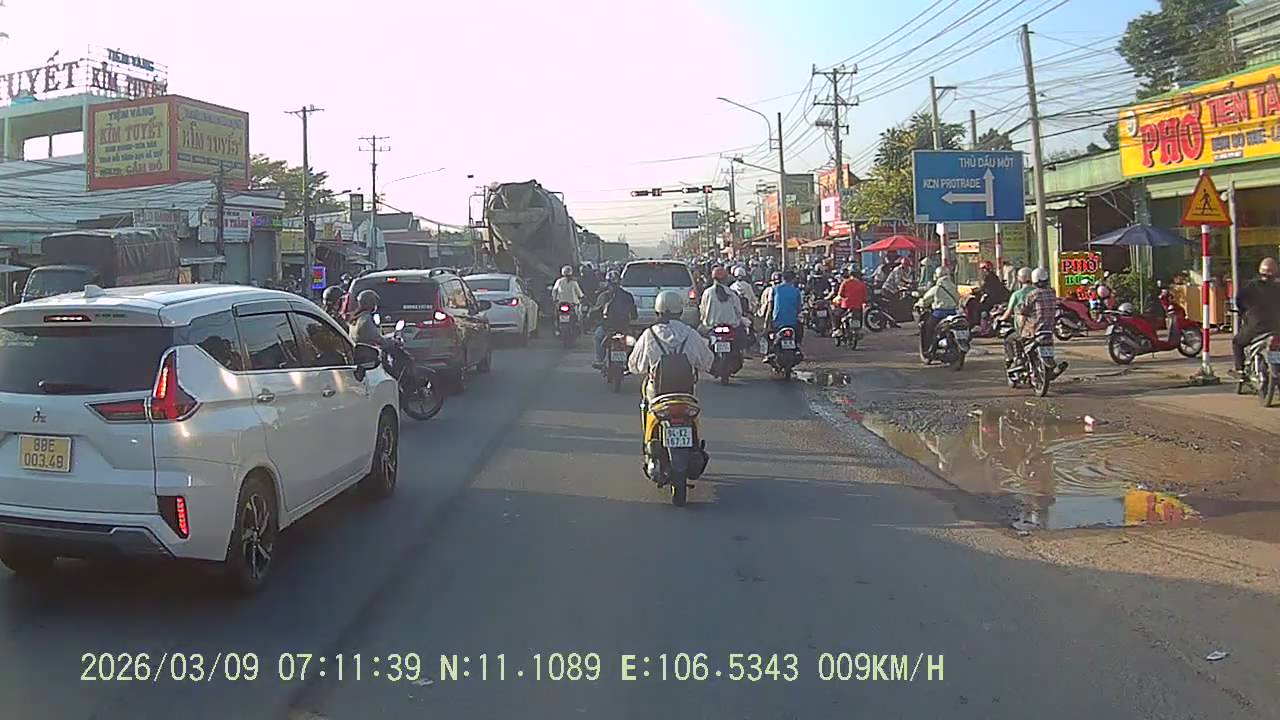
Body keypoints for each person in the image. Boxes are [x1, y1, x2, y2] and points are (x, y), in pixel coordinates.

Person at [628, 289, 715, 401]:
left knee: (646, 395)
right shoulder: (691, 334)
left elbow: (635, 366)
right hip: (686, 394)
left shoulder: (649, 334)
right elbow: (707, 361)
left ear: (657, 312)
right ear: (681, 312)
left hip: (657, 395)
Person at [1232, 257, 1280, 377]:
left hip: (1256, 328)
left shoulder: (1250, 286)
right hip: (1277, 328)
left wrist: (1244, 311)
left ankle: (1240, 370)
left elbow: (1239, 301)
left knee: (1237, 342)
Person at [1016, 267, 1068, 378]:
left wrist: (1020, 323)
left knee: (1019, 339)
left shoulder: (1032, 294)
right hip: (1049, 328)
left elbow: (1024, 310)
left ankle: (1022, 363)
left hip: (1035, 328)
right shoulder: (1052, 292)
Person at [588, 270, 638, 369]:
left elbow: (595, 311)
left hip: (608, 327)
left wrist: (590, 319)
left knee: (598, 336)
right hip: (623, 327)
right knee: (632, 342)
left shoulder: (604, 296)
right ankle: (629, 361)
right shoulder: (627, 295)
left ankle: (600, 360)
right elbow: (634, 313)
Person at [914, 266, 961, 355]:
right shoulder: (953, 286)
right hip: (953, 313)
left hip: (939, 314)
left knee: (928, 326)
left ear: (937, 275)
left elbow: (925, 300)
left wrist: (918, 304)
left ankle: (929, 349)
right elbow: (958, 298)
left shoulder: (937, 288)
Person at [1000, 267, 1035, 366]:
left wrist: (1000, 319)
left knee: (1009, 340)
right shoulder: (1038, 292)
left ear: (1020, 279)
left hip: (1024, 329)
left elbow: (1008, 312)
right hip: (1039, 328)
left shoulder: (1017, 294)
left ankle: (1014, 360)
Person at [700, 266, 746, 339]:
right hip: (730, 327)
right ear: (725, 278)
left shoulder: (707, 293)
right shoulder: (732, 293)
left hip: (711, 327)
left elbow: (702, 311)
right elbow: (739, 311)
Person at [768, 270, 804, 348]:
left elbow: (770, 308)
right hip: (793, 323)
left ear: (782, 279)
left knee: (769, 336)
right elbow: (799, 308)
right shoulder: (796, 291)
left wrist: (766, 322)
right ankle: (798, 344)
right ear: (793, 279)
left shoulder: (774, 289)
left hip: (777, 323)